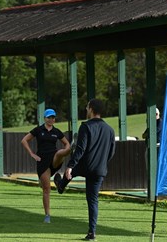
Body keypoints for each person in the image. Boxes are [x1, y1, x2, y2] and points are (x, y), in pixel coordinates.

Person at [54, 99, 115, 241]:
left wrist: (70, 166)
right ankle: (92, 232)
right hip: (100, 169)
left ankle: (61, 185)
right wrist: (102, 163)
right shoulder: (110, 130)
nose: (86, 109)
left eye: (87, 107)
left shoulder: (85, 127)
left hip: (85, 165)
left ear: (92, 109)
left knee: (73, 171)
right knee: (93, 201)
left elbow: (80, 149)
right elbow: (111, 152)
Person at [21, 108, 71, 223]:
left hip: (54, 159)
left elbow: (66, 143)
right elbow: (24, 140)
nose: (51, 119)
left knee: (60, 152)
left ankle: (70, 150)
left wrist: (68, 146)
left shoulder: (57, 131)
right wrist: (32, 154)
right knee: (46, 189)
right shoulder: (38, 130)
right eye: (49, 117)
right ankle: (47, 215)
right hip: (42, 161)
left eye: (53, 117)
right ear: (45, 118)